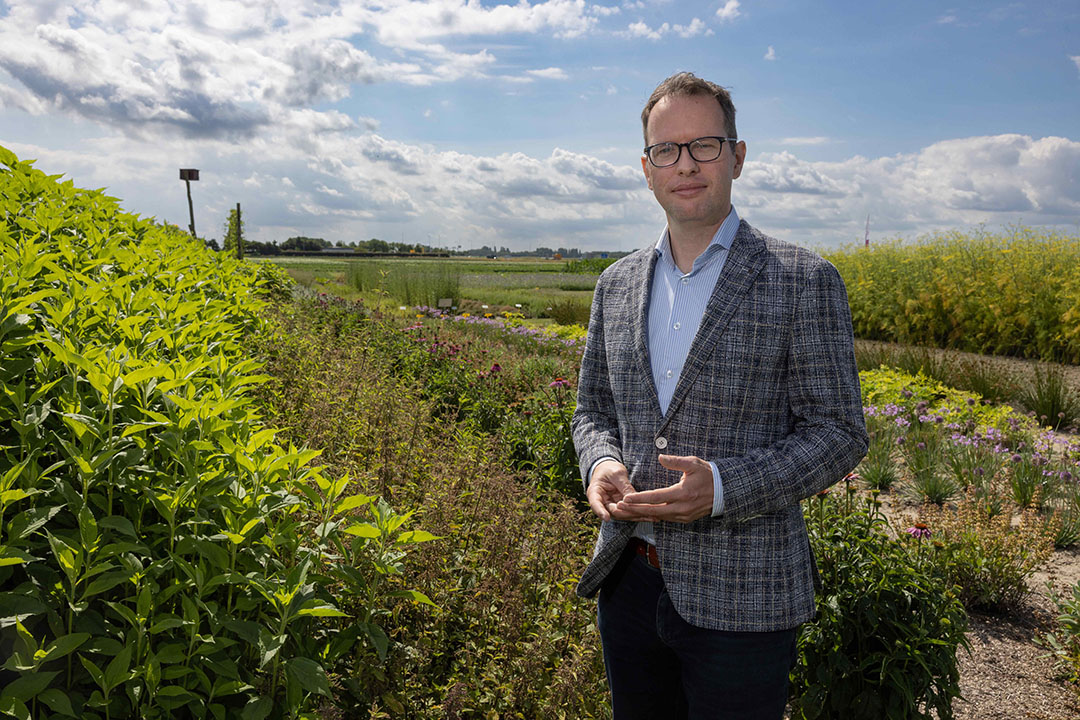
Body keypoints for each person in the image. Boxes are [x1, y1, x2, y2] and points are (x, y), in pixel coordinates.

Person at [571, 72, 868, 720]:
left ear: (736, 156)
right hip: (628, 579)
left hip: (745, 599)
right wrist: (601, 464)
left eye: (704, 145)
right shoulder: (615, 284)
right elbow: (592, 410)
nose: (685, 164)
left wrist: (725, 487)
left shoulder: (803, 279)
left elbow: (840, 430)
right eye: (666, 150)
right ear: (646, 168)